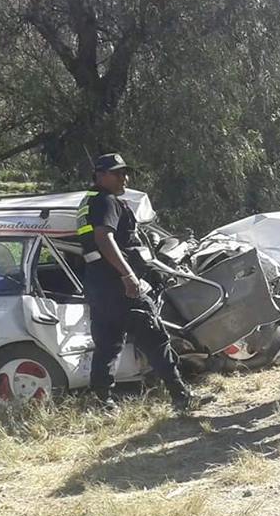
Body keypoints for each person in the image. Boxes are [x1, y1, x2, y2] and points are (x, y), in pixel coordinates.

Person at [76, 153, 194, 411]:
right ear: (101, 175)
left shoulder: (90, 202)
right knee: (155, 338)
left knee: (107, 345)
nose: (124, 178)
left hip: (99, 287)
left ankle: (103, 403)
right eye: (117, 173)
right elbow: (104, 238)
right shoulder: (106, 202)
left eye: (125, 172)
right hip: (120, 286)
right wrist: (128, 275)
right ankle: (181, 396)